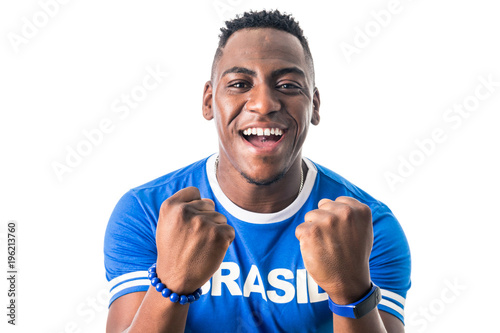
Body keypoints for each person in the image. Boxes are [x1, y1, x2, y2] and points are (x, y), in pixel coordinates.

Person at [104, 9, 411, 333]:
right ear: (209, 101)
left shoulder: (368, 225)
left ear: (314, 105)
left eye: (288, 85)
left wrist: (352, 292)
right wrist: (171, 284)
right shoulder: (147, 213)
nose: (264, 104)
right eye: (239, 83)